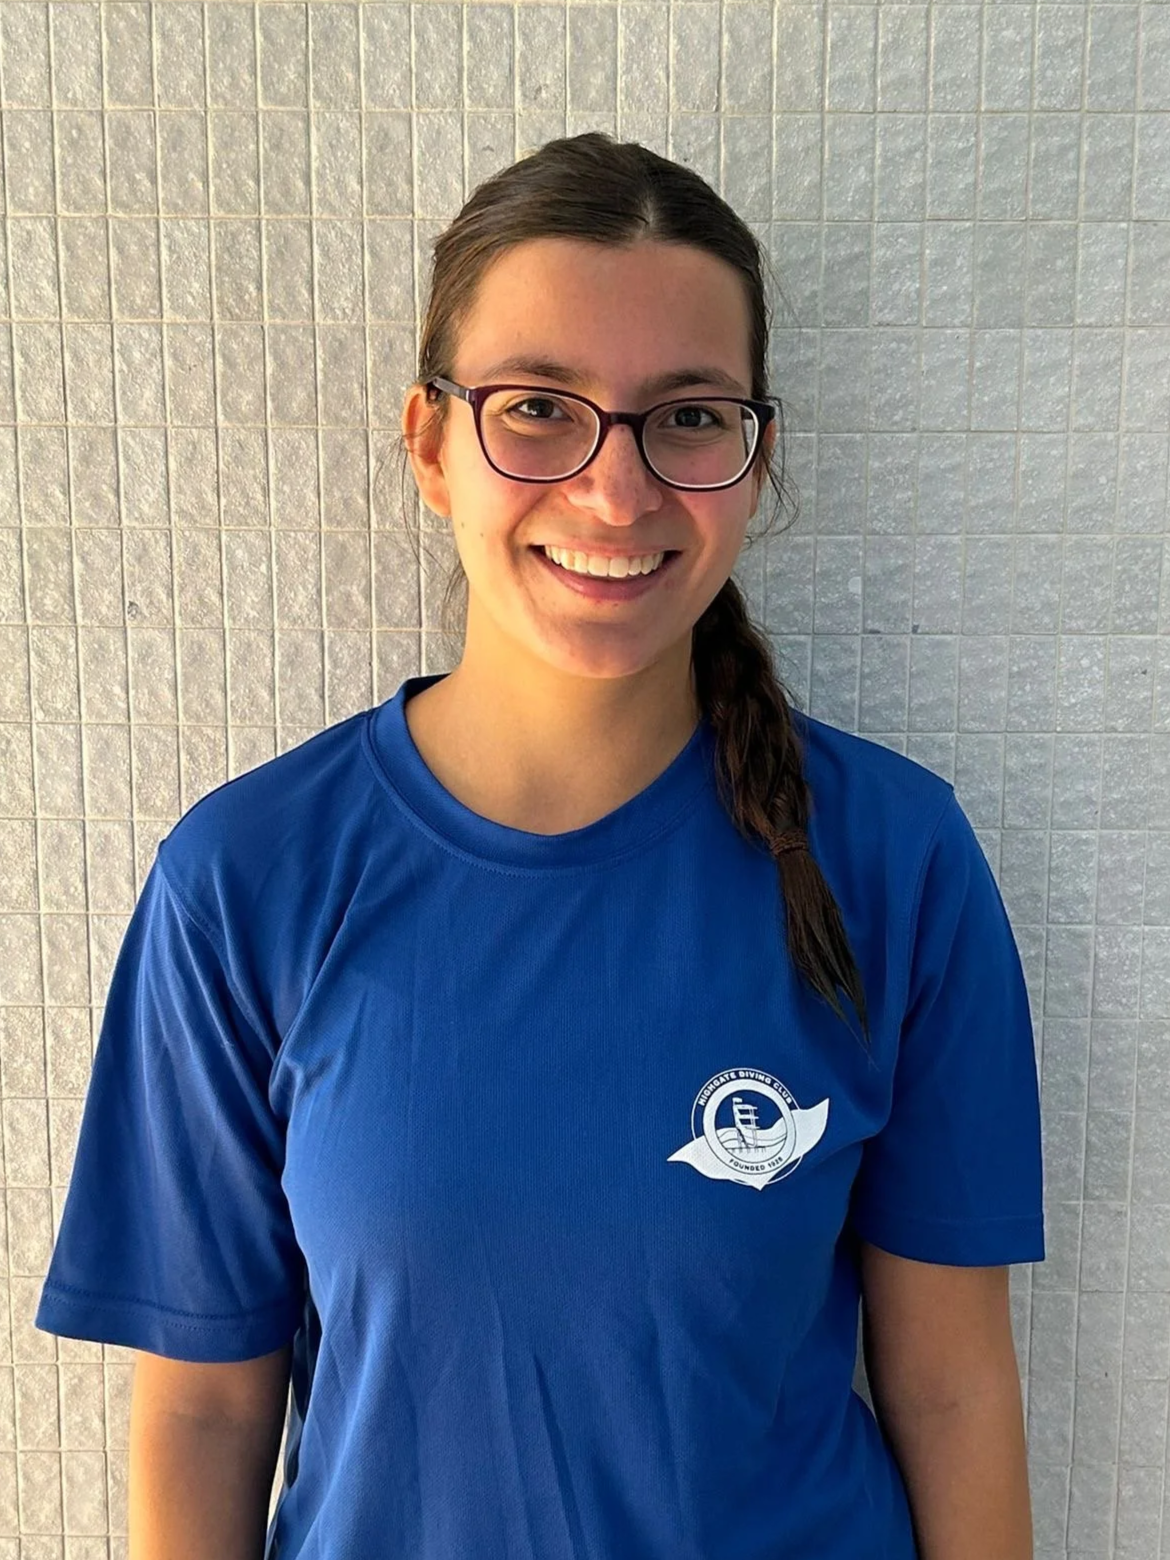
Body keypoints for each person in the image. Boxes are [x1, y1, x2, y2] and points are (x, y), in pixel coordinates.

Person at [36, 132, 1044, 1560]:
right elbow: (201, 1417)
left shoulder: (895, 860)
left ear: (756, 459)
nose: (616, 492)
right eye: (537, 408)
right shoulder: (246, 880)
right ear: (429, 445)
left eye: (687, 418)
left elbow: (947, 1389)